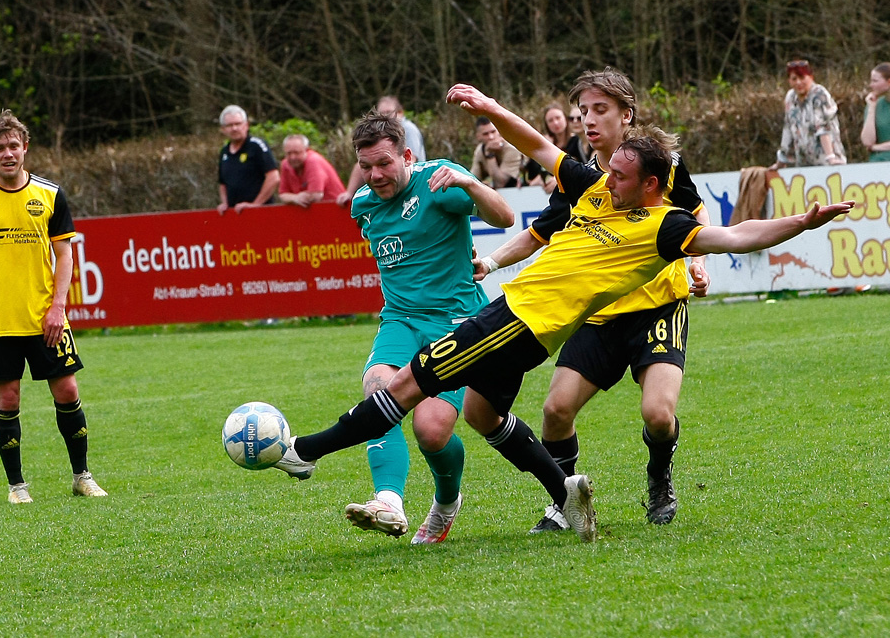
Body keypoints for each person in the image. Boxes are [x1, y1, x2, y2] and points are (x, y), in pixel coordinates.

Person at [266, 89, 852, 544]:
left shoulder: (662, 226)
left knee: (405, 384)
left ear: (649, 185)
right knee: (482, 414)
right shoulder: (596, 190)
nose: (604, 176)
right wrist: (490, 107)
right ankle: (567, 494)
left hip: (514, 323)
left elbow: (736, 234)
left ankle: (305, 451)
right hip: (521, 325)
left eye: (619, 173)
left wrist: (800, 224)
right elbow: (539, 149)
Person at [477, 68, 711, 531]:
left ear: (628, 114)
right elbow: (539, 233)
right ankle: (564, 500)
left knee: (658, 415)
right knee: (555, 410)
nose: (588, 119)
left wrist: (695, 263)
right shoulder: (580, 175)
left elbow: (696, 219)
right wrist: (491, 261)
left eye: (600, 109)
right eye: (583, 110)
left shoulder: (659, 163)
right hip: (598, 313)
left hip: (656, 307)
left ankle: (659, 473)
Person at [337, 110, 513, 544]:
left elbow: (505, 218)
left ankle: (446, 502)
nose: (375, 175)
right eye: (366, 167)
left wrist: (471, 183)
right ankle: (389, 501)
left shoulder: (440, 181)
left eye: (383, 163)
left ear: (407, 155)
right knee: (379, 393)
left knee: (431, 433)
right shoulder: (363, 205)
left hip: (454, 321)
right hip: (399, 320)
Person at [0, 109, 108, 504]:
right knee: (7, 398)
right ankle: (17, 487)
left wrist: (58, 307)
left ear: (25, 148)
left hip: (47, 316)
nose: (8, 153)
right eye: (0, 147)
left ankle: (82, 476)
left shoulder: (49, 194)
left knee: (67, 390)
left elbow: (65, 256)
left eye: (14, 145)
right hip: (0, 319)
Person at [342, 96, 426, 202]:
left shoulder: (409, 129)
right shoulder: (361, 203)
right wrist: (349, 193)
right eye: (381, 113)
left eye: (389, 112)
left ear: (400, 112)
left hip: (413, 191)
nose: (386, 117)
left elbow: (412, 159)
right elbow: (362, 163)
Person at [771, 60, 846, 168]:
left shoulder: (819, 94)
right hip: (803, 162)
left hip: (827, 160)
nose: (798, 83)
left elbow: (823, 127)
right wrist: (781, 161)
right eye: (794, 79)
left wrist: (830, 158)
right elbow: (788, 128)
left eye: (802, 78)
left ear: (811, 77)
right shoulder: (790, 98)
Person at [217, 105, 280, 214]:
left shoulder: (256, 146)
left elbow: (273, 177)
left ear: (246, 125)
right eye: (229, 125)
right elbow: (222, 183)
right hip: (235, 215)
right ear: (223, 129)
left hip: (261, 213)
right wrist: (225, 203)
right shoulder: (224, 152)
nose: (234, 128)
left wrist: (256, 204)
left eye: (238, 124)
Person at [277, 134, 346, 207]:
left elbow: (316, 195)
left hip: (336, 208)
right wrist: (295, 198)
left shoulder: (313, 161)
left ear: (306, 150)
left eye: (297, 153)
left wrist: (292, 197)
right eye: (289, 153)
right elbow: (282, 195)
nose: (292, 157)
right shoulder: (285, 164)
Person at [471, 117, 523, 189]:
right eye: (485, 134)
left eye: (493, 132)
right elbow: (473, 178)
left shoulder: (511, 148)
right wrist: (481, 185)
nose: (491, 137)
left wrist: (490, 155)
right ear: (478, 137)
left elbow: (500, 183)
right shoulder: (480, 150)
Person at [861, 62, 890, 162]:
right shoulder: (875, 104)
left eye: (875, 81)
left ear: (889, 81)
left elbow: (871, 147)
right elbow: (867, 141)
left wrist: (875, 148)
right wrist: (871, 108)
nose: (871, 85)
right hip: (877, 163)